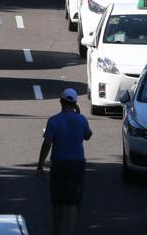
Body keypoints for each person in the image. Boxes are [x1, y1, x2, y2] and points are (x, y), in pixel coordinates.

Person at [36, 89, 92, 235]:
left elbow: (47, 144)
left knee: (57, 200)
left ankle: (56, 230)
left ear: (61, 102)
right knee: (72, 201)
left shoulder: (53, 121)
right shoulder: (81, 120)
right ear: (75, 104)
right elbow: (87, 136)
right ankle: (70, 232)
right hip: (77, 163)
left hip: (59, 163)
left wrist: (40, 165)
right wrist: (78, 114)